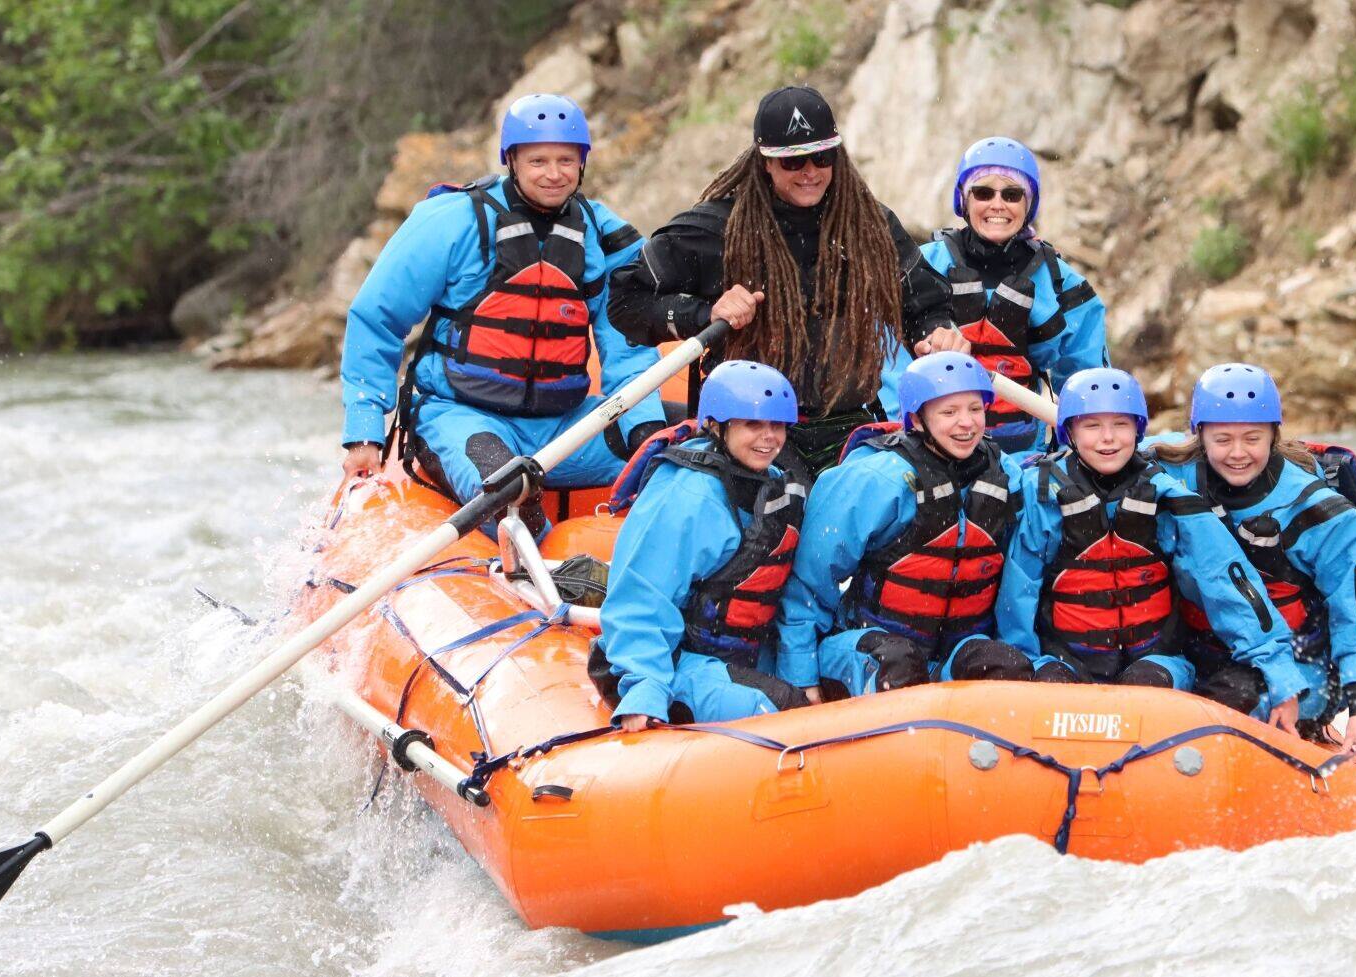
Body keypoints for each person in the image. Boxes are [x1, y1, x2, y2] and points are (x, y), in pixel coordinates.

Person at [338, 93, 663, 535]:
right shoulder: (452, 221)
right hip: (461, 415)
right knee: (512, 493)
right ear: (511, 159)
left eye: (566, 160)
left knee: (683, 455)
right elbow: (378, 318)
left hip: (563, 425)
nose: (554, 174)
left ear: (583, 163)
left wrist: (647, 429)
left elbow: (629, 345)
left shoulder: (603, 236)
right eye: (538, 161)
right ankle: (542, 579)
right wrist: (364, 431)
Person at [608, 85, 953, 473]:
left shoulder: (870, 227)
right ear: (764, 162)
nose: (809, 172)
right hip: (748, 427)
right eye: (793, 162)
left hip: (847, 423)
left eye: (822, 157)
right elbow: (625, 304)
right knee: (778, 508)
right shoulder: (715, 229)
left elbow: (925, 305)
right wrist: (704, 313)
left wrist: (936, 331)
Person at [999, 368, 1308, 728]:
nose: (1108, 439)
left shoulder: (1168, 496)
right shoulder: (1042, 495)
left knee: (1143, 689)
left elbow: (1226, 580)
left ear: (1138, 429)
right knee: (1053, 687)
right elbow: (1018, 591)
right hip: (1064, 659)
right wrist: (1023, 665)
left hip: (1157, 662)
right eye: (1092, 426)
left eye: (1120, 425)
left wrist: (1279, 674)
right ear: (1070, 431)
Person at [1150, 363, 1356, 761]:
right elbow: (1103, 446)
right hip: (1196, 652)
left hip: (1298, 666)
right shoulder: (1167, 468)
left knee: (1233, 700)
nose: (1238, 453)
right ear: (1198, 437)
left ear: (1274, 435)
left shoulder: (1319, 511)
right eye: (1222, 439)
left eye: (1253, 438)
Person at [777, 351, 1044, 699]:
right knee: (899, 664)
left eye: (975, 409)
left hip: (953, 652)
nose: (966, 423)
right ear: (917, 420)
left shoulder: (1006, 475)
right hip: (868, 646)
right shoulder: (874, 479)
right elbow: (808, 586)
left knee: (1007, 664)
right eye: (949, 412)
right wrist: (802, 677)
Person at [590, 360, 813, 730]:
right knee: (786, 709)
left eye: (777, 426)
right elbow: (643, 595)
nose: (769, 437)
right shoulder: (690, 494)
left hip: (740, 651)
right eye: (752, 424)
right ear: (716, 425)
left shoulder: (773, 483)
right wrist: (644, 688)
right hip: (676, 659)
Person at [913, 137, 1108, 455]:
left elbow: (1089, 381)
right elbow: (888, 363)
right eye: (983, 192)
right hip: (930, 448)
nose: (997, 204)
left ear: (1029, 204)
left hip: (1022, 450)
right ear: (964, 199)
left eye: (1012, 194)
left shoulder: (1061, 281)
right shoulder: (922, 266)